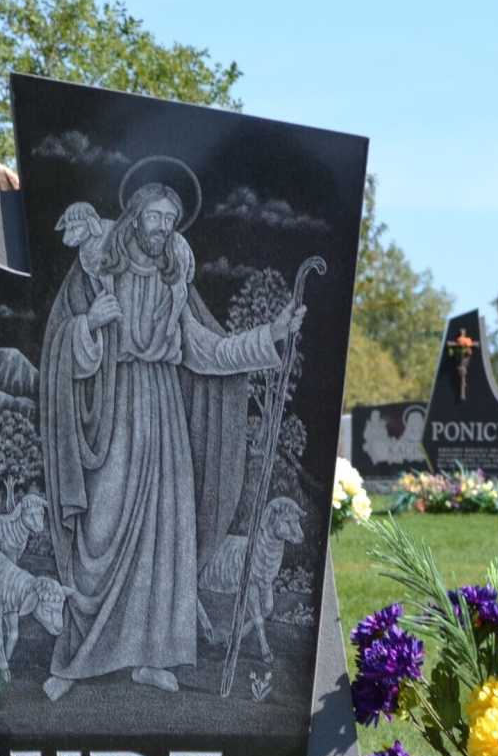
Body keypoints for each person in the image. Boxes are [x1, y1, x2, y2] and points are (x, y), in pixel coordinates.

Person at [37, 181, 301, 701]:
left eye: (170, 219)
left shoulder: (173, 278)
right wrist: (90, 324)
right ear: (134, 216)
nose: (162, 227)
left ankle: (153, 656)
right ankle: (75, 658)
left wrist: (269, 335)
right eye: (154, 216)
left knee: (165, 534)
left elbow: (206, 350)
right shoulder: (98, 268)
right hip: (114, 408)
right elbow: (61, 347)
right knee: (101, 532)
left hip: (163, 414)